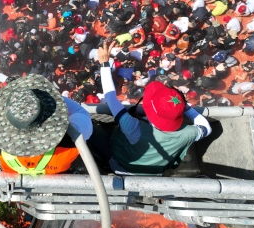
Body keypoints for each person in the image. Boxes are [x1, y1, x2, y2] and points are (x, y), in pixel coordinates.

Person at [88, 42, 212, 175]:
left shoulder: (134, 127)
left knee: (88, 125)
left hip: (120, 165)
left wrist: (105, 63)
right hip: (152, 175)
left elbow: (111, 97)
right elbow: (207, 128)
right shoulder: (188, 133)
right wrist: (185, 107)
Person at [0, 74, 92, 175]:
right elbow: (81, 113)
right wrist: (47, 98)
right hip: (62, 175)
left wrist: (13, 96)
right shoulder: (74, 137)